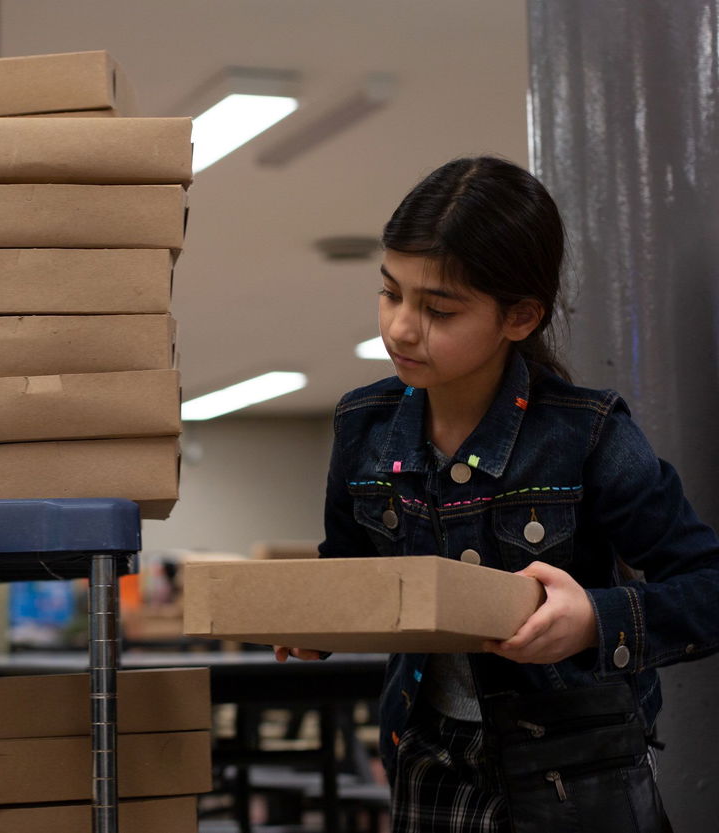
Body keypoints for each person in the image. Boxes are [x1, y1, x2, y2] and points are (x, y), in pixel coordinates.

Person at [276, 156, 719, 832]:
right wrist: (314, 625)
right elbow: (352, 572)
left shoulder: (587, 432)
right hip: (428, 761)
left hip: (577, 771)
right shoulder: (361, 425)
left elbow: (708, 586)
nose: (399, 326)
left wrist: (595, 620)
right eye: (391, 292)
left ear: (519, 316)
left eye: (438, 308)